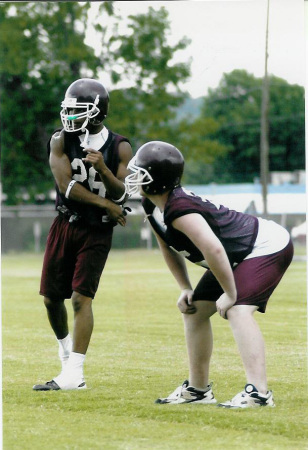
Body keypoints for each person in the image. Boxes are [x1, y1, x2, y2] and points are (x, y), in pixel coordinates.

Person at [125, 141, 293, 408]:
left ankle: (259, 393)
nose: (132, 177)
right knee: (194, 310)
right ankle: (198, 390)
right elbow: (168, 249)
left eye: (140, 173)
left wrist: (230, 293)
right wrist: (185, 287)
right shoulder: (151, 203)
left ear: (156, 180)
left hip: (265, 245)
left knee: (237, 310)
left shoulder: (179, 209)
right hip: (235, 253)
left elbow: (213, 249)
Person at [33, 78, 133, 391]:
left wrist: (103, 169)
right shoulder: (61, 140)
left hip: (96, 229)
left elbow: (123, 194)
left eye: (78, 110)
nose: (71, 117)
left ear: (97, 112)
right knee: (51, 298)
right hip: (65, 222)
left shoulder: (120, 147)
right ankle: (66, 356)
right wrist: (106, 203)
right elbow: (67, 187)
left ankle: (75, 374)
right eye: (69, 110)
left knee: (80, 299)